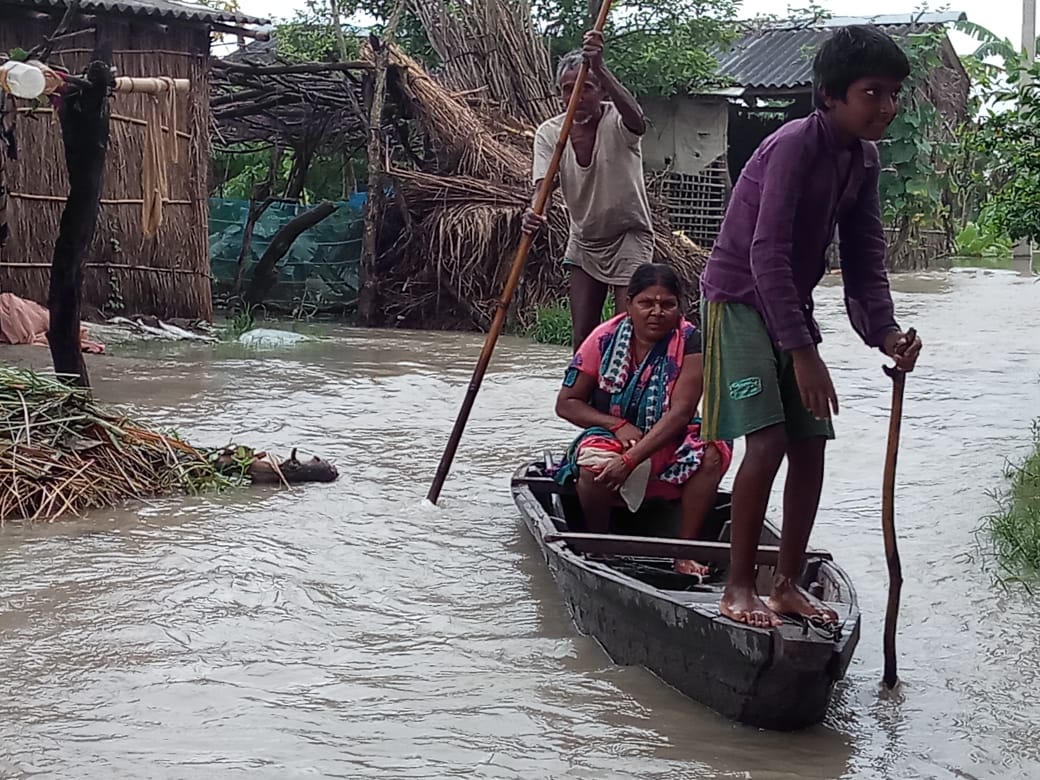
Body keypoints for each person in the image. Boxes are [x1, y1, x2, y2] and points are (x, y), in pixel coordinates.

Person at [699, 25, 923, 628]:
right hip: (739, 300)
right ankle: (738, 587)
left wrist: (886, 334)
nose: (887, 107)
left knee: (812, 443)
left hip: (789, 306)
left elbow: (864, 260)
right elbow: (763, 255)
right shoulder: (794, 145)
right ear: (830, 95)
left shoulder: (863, 160)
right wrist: (804, 354)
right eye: (872, 92)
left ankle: (787, 584)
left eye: (893, 94)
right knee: (767, 441)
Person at [554, 263, 732, 576]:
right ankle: (598, 546)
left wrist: (632, 459)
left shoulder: (691, 342)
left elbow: (680, 412)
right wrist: (618, 426)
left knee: (714, 449)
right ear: (629, 304)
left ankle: (685, 551)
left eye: (667, 305)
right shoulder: (604, 339)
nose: (657, 312)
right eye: (646, 303)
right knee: (594, 465)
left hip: (670, 437)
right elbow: (567, 403)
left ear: (679, 308)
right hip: (614, 436)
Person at [522, 30, 655, 352]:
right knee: (583, 339)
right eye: (568, 90)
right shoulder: (551, 133)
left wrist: (600, 66)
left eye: (587, 88)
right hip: (584, 238)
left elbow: (637, 120)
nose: (577, 97)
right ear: (560, 94)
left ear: (601, 92)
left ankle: (624, 399)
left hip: (629, 236)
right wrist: (532, 213)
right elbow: (544, 186)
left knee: (628, 334)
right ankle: (582, 398)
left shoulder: (617, 122)